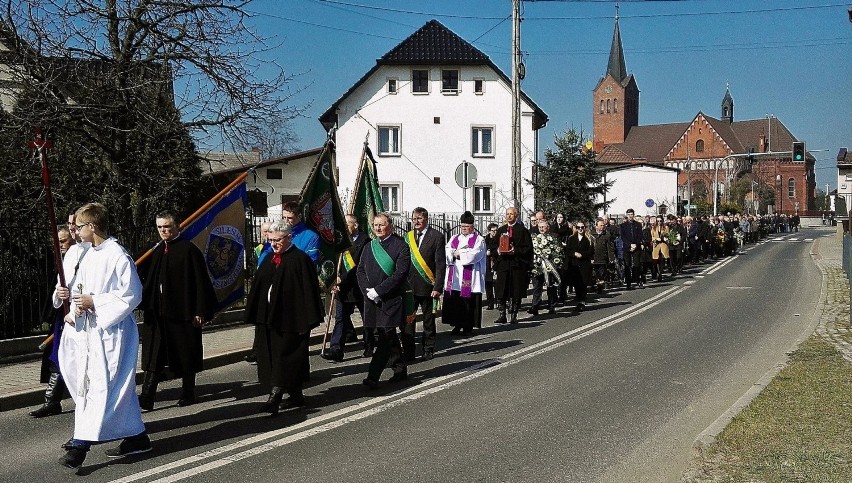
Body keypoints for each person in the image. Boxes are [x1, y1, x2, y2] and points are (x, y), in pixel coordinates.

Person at [56, 203, 151, 468]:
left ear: (93, 227)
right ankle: (137, 436)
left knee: (102, 387)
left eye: (80, 227)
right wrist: (75, 310)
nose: (76, 232)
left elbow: (132, 294)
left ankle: (80, 445)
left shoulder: (117, 254)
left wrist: (95, 302)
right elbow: (81, 291)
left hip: (113, 333)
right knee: (107, 388)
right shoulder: (87, 254)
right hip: (89, 332)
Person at [138, 213, 218, 410]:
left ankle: (188, 392)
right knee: (153, 355)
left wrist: (199, 310)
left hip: (182, 312)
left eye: (167, 227)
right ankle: (147, 396)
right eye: (160, 227)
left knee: (185, 353)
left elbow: (200, 282)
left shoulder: (189, 250)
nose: (163, 231)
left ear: (177, 227)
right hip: (157, 313)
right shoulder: (155, 251)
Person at [245, 222, 324, 415]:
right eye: (270, 240)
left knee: (285, 358)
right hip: (269, 319)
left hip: (291, 320)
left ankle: (275, 397)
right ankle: (296, 395)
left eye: (277, 240)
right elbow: (260, 287)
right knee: (273, 358)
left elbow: (308, 291)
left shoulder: (300, 259)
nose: (273, 244)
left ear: (289, 238)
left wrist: (308, 320)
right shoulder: (269, 258)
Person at [357, 213, 411, 387]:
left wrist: (379, 291)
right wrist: (368, 292)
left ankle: (373, 376)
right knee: (385, 335)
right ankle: (400, 368)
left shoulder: (401, 246)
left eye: (381, 225)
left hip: (390, 299)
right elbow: (360, 271)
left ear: (391, 226)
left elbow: (400, 274)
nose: (377, 228)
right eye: (375, 225)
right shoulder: (369, 246)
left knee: (386, 335)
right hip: (372, 300)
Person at [31, 224, 77, 418]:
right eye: (56, 242)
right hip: (62, 317)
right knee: (57, 356)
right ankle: (51, 401)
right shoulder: (62, 260)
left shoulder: (81, 258)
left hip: (78, 315)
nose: (59, 246)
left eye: (63, 241)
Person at [322, 215, 369, 362]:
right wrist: (332, 281)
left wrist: (344, 278)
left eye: (347, 224)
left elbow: (362, 265)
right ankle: (336, 350)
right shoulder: (340, 241)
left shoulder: (365, 241)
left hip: (359, 287)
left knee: (366, 318)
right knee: (340, 319)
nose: (344, 227)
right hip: (342, 288)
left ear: (355, 225)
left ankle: (369, 345)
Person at [403, 207, 446, 361]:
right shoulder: (407, 237)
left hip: (428, 286)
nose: (416, 222)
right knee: (409, 320)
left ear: (426, 219)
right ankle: (408, 351)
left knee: (428, 320)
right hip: (409, 286)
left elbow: (440, 264)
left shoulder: (437, 236)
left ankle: (428, 348)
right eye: (414, 219)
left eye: (419, 219)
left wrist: (438, 287)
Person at [442, 211, 487, 335]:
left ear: (472, 227)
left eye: (466, 227)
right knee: (456, 302)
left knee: (468, 302)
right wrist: (452, 253)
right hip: (455, 276)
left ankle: (468, 326)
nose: (464, 229)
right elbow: (447, 249)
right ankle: (457, 325)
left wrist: (460, 254)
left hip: (470, 276)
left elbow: (476, 254)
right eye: (462, 227)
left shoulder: (479, 239)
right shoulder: (455, 238)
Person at [493, 207, 533, 325]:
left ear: (516, 215)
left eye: (511, 214)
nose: (509, 216)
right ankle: (502, 315)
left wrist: (515, 251)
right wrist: (498, 250)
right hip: (503, 264)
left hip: (517, 264)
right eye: (507, 214)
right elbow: (493, 246)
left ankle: (514, 315)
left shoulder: (522, 230)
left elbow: (528, 248)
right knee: (501, 289)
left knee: (515, 290)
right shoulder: (501, 230)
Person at [527, 219, 563, 315]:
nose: (541, 229)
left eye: (543, 227)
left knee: (550, 286)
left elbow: (558, 251)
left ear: (548, 227)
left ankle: (552, 306)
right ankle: (535, 306)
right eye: (540, 227)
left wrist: (554, 263)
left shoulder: (554, 237)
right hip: (538, 266)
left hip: (549, 266)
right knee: (537, 287)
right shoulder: (534, 237)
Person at [564, 221, 595, 312]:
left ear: (585, 228)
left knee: (583, 284)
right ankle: (579, 300)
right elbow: (568, 251)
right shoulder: (571, 238)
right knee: (577, 284)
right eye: (578, 227)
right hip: (574, 265)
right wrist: (574, 254)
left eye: (582, 227)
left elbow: (591, 251)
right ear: (576, 228)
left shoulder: (589, 239)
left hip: (585, 264)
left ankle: (582, 301)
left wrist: (582, 255)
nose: (580, 229)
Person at [620, 209, 644, 290]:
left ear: (634, 215)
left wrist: (635, 244)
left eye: (631, 214)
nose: (630, 216)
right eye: (629, 214)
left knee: (637, 265)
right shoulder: (623, 225)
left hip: (636, 247)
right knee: (627, 265)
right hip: (627, 247)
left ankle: (639, 280)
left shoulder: (638, 225)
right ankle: (628, 283)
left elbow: (640, 236)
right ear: (626, 215)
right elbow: (623, 237)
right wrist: (630, 244)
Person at [591, 218, 613, 294]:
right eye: (600, 225)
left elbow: (610, 247)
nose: (602, 227)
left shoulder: (607, 235)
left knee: (601, 274)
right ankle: (594, 286)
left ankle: (600, 288)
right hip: (593, 258)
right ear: (596, 226)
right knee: (594, 274)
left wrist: (611, 257)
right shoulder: (591, 235)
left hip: (603, 258)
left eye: (603, 225)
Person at [483, 223, 500, 310]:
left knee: (497, 285)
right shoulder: (485, 240)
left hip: (497, 263)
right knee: (488, 284)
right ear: (489, 231)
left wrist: (493, 252)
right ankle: (490, 303)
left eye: (496, 230)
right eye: (493, 231)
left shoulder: (499, 239)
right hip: (487, 264)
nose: (494, 232)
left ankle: (498, 302)